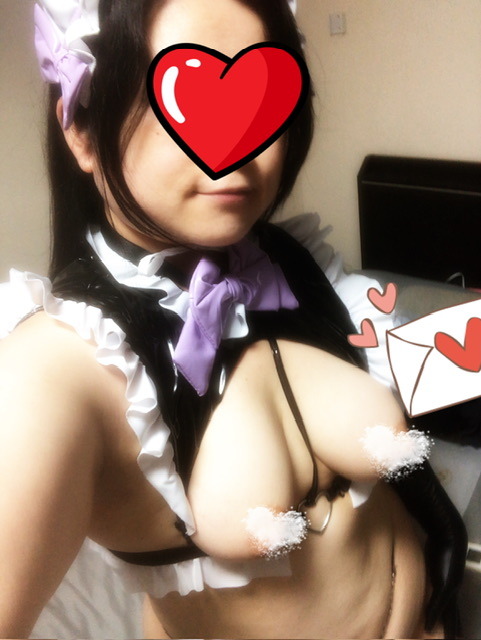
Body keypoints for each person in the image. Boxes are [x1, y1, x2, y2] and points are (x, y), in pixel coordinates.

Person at [0, 0, 466, 638]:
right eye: (181, 100)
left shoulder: (287, 260)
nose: (239, 143)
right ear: (81, 132)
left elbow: (415, 372)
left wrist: (439, 515)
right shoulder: (60, 365)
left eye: (260, 96)